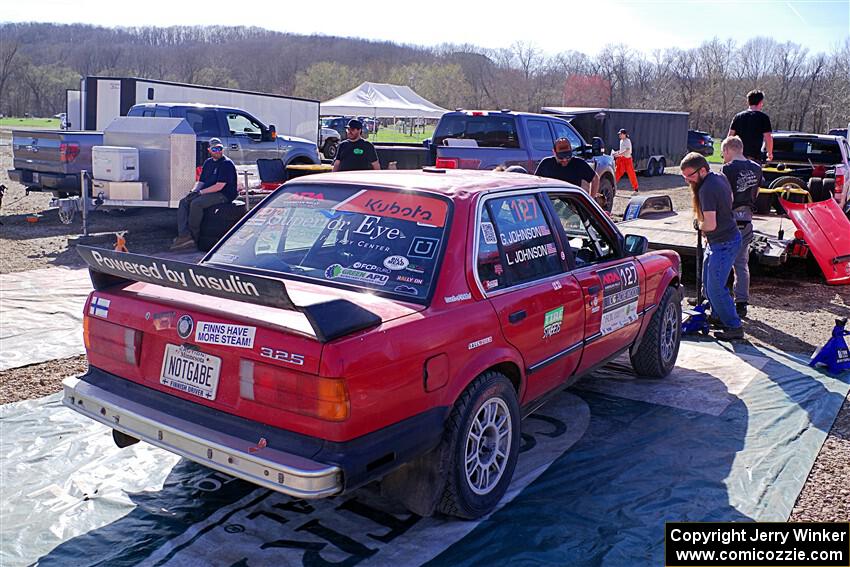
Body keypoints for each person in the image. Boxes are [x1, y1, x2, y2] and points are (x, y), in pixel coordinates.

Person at [680, 152, 743, 340]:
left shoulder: (707, 189)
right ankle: (717, 315)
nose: (687, 180)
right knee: (708, 285)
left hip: (724, 243)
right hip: (721, 240)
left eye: (690, 176)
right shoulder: (719, 176)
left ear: (702, 170)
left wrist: (698, 224)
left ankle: (734, 327)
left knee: (715, 288)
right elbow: (730, 199)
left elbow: (710, 224)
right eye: (685, 176)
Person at [721, 136, 763, 319]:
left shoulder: (727, 169)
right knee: (741, 263)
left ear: (728, 150)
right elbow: (757, 192)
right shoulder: (757, 168)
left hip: (729, 219)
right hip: (747, 218)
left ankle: (713, 298)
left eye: (723, 153)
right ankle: (742, 302)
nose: (723, 157)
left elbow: (725, 195)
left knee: (720, 261)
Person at [170, 138, 237, 250]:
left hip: (224, 194)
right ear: (209, 150)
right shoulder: (208, 163)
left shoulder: (226, 164)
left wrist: (200, 193)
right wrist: (194, 191)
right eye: (214, 149)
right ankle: (184, 235)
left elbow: (219, 186)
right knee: (184, 202)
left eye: (220, 148)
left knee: (197, 203)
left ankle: (193, 236)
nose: (218, 151)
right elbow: (201, 182)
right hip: (208, 191)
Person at [534, 138, 600, 197]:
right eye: (561, 157)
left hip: (571, 201)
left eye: (568, 156)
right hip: (551, 200)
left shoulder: (579, 164)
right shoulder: (546, 164)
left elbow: (595, 178)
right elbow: (535, 182)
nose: (565, 160)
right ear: (554, 152)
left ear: (571, 151)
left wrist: (591, 198)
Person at [728, 89, 773, 163]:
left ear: (748, 101)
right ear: (760, 102)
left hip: (738, 156)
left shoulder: (738, 117)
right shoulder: (763, 118)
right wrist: (769, 154)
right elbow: (768, 137)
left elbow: (730, 137)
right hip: (754, 157)